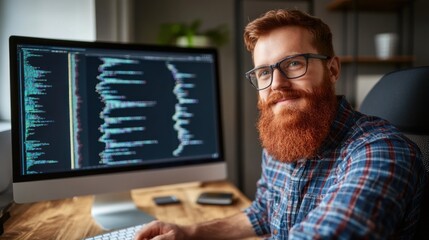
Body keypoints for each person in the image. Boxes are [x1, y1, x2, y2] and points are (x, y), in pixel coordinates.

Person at [135, 9, 427, 239]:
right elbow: (263, 213)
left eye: (294, 64)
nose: (277, 84)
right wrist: (191, 233)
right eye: (264, 72)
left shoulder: (381, 152)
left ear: (333, 69)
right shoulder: (285, 136)